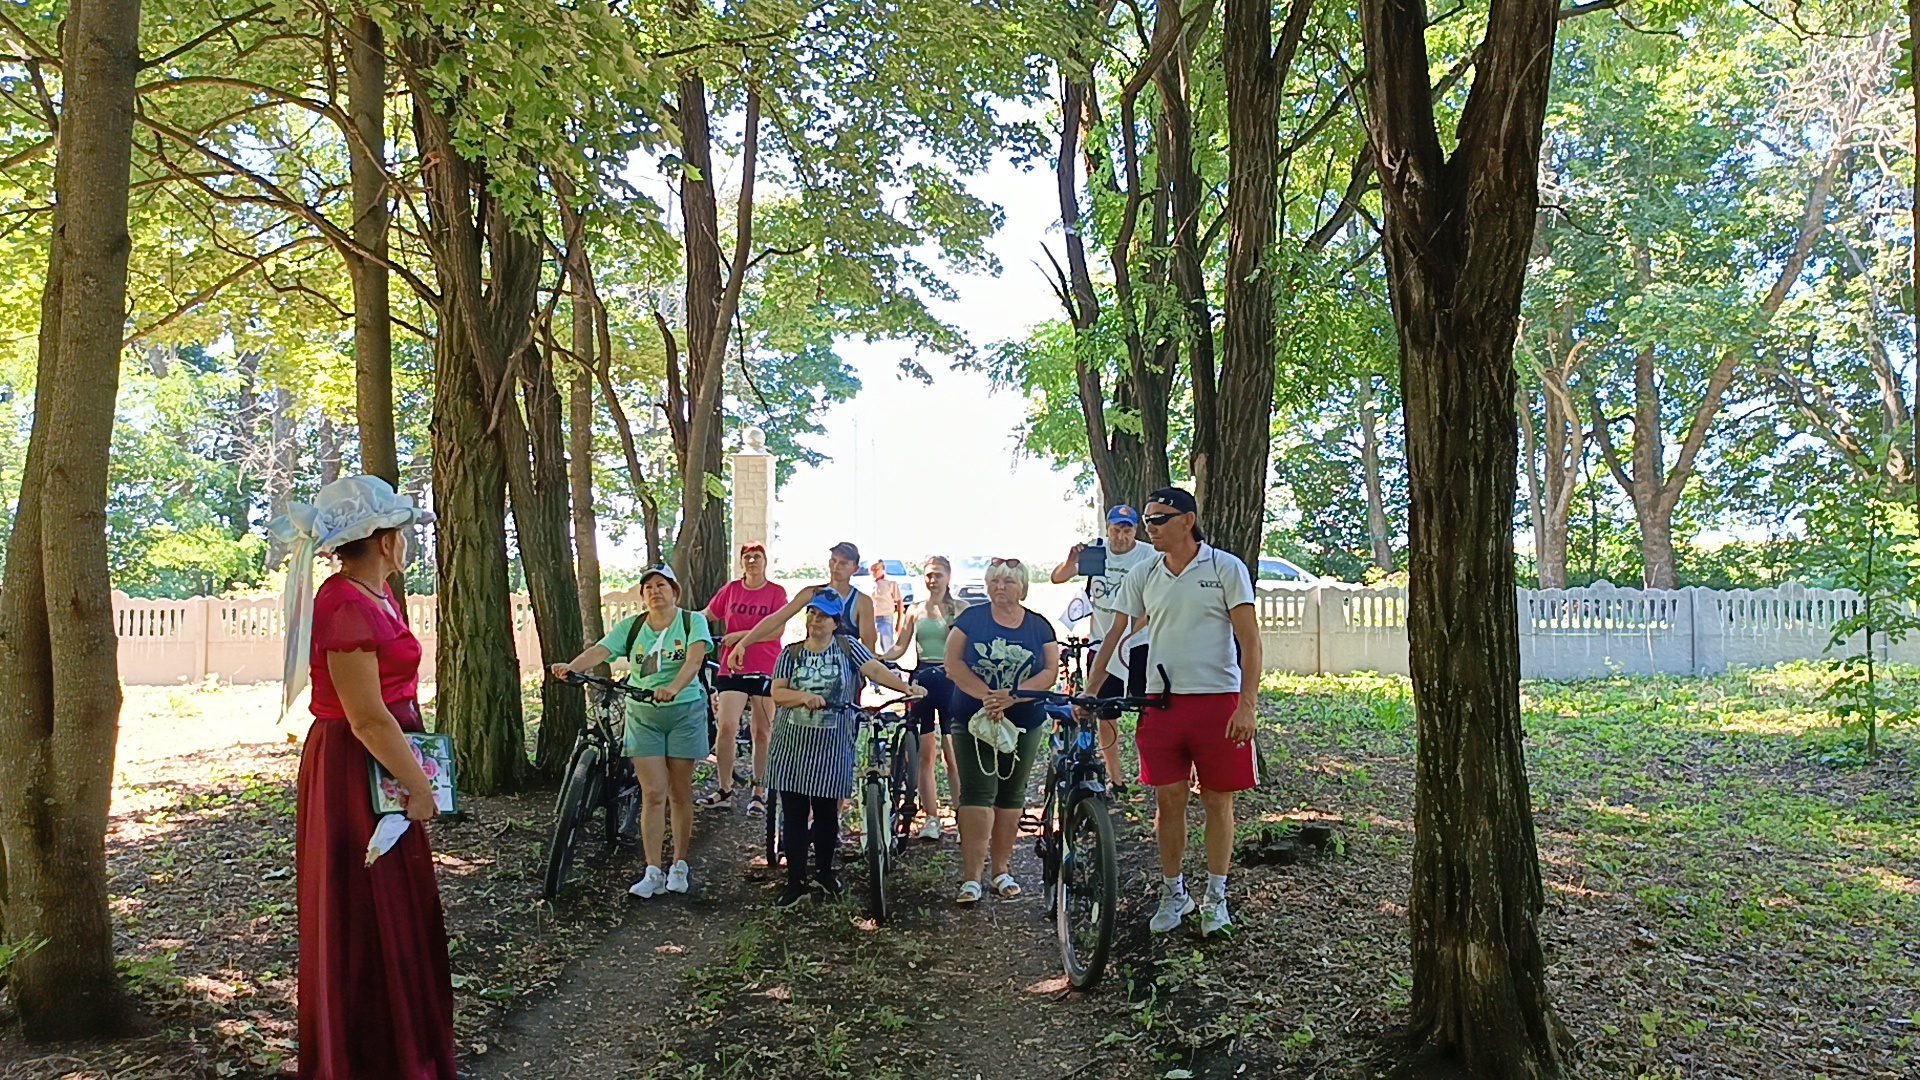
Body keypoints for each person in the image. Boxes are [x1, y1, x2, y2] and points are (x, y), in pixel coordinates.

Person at [274, 475, 456, 1079]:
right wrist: (420, 786)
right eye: (401, 532)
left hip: (387, 762)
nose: (406, 542)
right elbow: (367, 718)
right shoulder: (345, 602)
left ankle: (404, 1050)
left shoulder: (376, 596)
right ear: (383, 541)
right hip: (357, 770)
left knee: (395, 907)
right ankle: (368, 1059)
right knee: (365, 907)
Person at [1089, 487, 1261, 938]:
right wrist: (1089, 693)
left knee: (1218, 801)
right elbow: (1114, 633)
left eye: (1159, 519)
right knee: (1168, 801)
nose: (1150, 528)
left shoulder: (1225, 567)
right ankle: (1174, 892)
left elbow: (1250, 641)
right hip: (1160, 702)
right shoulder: (1144, 572)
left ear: (1188, 520)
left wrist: (1247, 705)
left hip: (1218, 699)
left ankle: (1217, 897)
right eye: (1147, 521)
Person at [551, 564, 713, 899]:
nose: (655, 591)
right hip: (643, 714)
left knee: (679, 792)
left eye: (661, 585)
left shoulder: (691, 621)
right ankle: (653, 870)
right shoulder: (633, 626)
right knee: (653, 792)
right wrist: (572, 666)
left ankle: (679, 865)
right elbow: (601, 650)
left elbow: (694, 662)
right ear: (642, 595)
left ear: (674, 591)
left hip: (684, 711)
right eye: (648, 587)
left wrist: (673, 687)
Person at [767, 591, 926, 907]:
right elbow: (777, 692)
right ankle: (796, 880)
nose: (815, 621)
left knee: (827, 813)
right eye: (812, 614)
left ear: (835, 621)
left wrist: (905, 687)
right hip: (791, 744)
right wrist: (803, 698)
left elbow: (875, 671)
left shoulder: (847, 647)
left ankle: (825, 873)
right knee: (795, 813)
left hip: (832, 743)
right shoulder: (790, 654)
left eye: (823, 616)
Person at [943, 558, 1060, 904]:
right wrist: (987, 697)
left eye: (1008, 582)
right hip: (972, 718)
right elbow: (953, 662)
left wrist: (1014, 696)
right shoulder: (970, 620)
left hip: (1024, 720)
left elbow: (1050, 669)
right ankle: (971, 878)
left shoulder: (1039, 626)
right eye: (994, 581)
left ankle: (1002, 870)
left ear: (1022, 588)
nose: (1000, 587)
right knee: (977, 792)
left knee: (1011, 795)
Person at [1050, 504, 1157, 792]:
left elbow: (1158, 596)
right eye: (1115, 530)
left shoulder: (1148, 554)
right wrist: (1072, 560)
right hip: (1101, 639)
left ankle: (1154, 772)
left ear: (1136, 530)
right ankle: (1116, 779)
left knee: (1149, 707)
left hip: (1139, 641)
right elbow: (1058, 577)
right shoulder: (1097, 551)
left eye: (1127, 530)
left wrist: (1131, 630)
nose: (1121, 537)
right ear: (1107, 529)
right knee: (1104, 710)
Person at [880, 555, 968, 841]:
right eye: (929, 575)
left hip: (952, 684)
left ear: (948, 577)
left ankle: (962, 816)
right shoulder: (915, 610)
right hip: (921, 683)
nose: (933, 580)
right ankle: (931, 818)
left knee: (952, 755)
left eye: (938, 575)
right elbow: (899, 646)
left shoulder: (960, 609)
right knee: (924, 755)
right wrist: (877, 659)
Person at [700, 542, 789, 815]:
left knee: (762, 731)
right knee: (726, 727)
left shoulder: (776, 593)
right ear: (741, 563)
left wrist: (740, 636)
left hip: (765, 667)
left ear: (765, 561)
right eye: (747, 556)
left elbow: (776, 629)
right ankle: (724, 788)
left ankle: (759, 791)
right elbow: (706, 615)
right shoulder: (731, 590)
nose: (752, 560)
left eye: (757, 556)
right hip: (732, 668)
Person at [728, 541, 877, 666]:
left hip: (846, 671)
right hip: (811, 667)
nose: (836, 566)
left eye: (844, 563)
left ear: (855, 569)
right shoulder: (811, 593)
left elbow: (868, 647)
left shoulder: (861, 602)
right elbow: (777, 618)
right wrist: (743, 643)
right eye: (833, 560)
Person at [870, 560, 904, 652]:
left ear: (883, 568)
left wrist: (899, 622)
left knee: (887, 644)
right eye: (872, 569)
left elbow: (899, 601)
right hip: (871, 618)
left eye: (877, 569)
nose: (874, 572)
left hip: (885, 618)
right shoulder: (869, 585)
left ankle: (890, 663)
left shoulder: (891, 583)